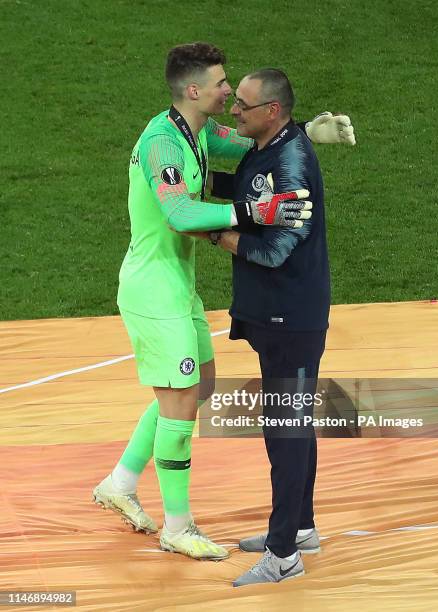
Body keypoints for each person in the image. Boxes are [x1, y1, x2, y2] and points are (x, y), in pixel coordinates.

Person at [92, 42, 355, 562]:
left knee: (198, 386)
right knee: (183, 400)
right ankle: (178, 525)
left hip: (175, 284)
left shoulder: (199, 132)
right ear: (194, 90)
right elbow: (182, 216)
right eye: (220, 83)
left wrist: (307, 133)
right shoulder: (164, 144)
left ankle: (120, 482)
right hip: (153, 289)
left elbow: (259, 142)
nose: (229, 91)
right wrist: (254, 211)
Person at [206, 68, 334, 585]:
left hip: (292, 317)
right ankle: (300, 528)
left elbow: (278, 248)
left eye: (243, 104)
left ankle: (284, 555)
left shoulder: (291, 162)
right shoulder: (271, 143)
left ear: (272, 111)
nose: (233, 110)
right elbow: (252, 191)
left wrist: (214, 233)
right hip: (274, 314)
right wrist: (196, 185)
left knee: (287, 431)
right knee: (287, 426)